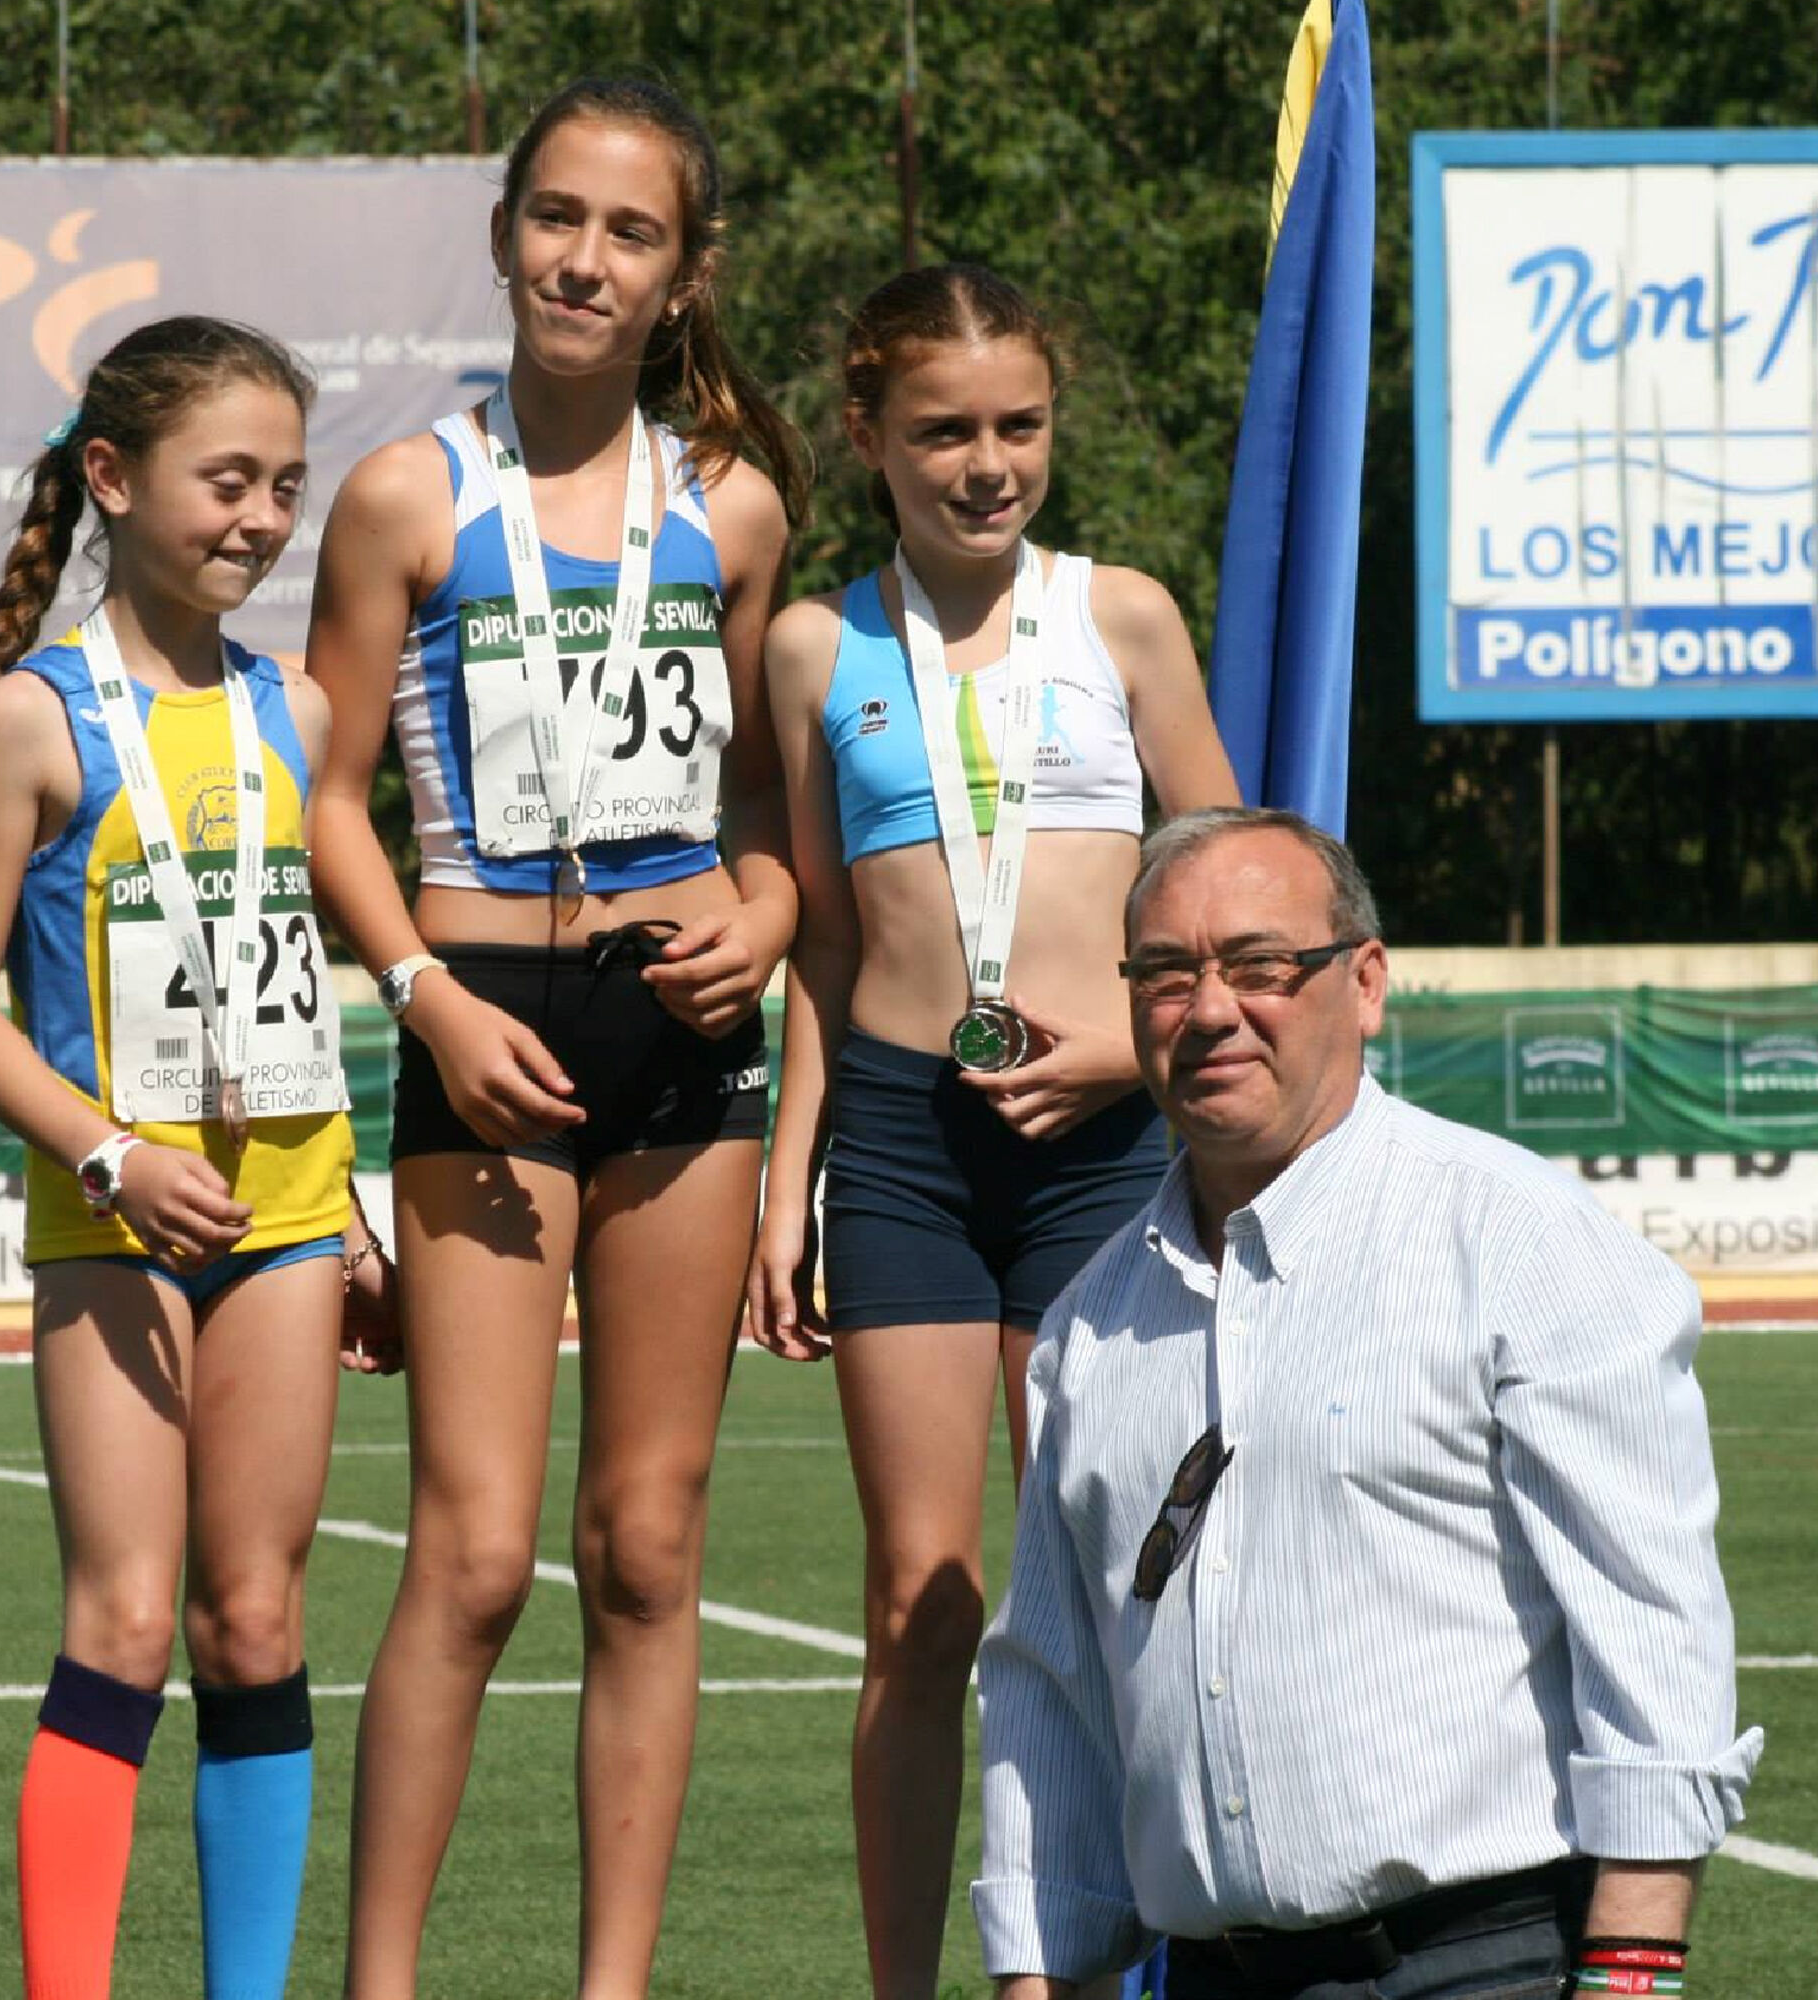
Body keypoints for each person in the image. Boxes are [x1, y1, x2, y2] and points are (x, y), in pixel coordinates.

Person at [302, 74, 805, 2000]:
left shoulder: (732, 506)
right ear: (506, 234)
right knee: (474, 1555)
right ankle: (384, 1983)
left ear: (687, 274)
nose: (585, 260)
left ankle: (615, 1986)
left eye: (631, 232)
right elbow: (330, 796)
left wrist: (766, 918)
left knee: (651, 1545)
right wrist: (421, 994)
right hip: (482, 1019)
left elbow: (760, 806)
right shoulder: (407, 496)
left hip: (686, 1026)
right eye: (557, 220)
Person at [973, 806, 1764, 2000]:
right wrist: (1035, 1974)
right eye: (1166, 974)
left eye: (1259, 965)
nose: (1209, 1009)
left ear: (1365, 981)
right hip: (1213, 1974)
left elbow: (1650, 1627)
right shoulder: (1087, 1327)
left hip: (1487, 1962)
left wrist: (1631, 1964)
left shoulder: (1513, 1239)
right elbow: (1053, 1689)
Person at [748, 263, 1239, 1999]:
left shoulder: (1124, 619)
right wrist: (790, 1182)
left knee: (1104, 1588)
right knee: (923, 1596)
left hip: (1103, 1149)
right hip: (902, 1145)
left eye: (1018, 424)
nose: (987, 463)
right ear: (867, 434)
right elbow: (819, 941)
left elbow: (1239, 897)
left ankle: (1095, 1966)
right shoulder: (814, 647)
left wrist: (1126, 1052)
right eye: (944, 429)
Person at [0, 315, 377, 2000]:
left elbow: (287, 986)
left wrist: (349, 1218)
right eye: (227, 479)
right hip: (115, 1229)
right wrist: (108, 1160)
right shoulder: (32, 720)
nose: (261, 518)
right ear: (111, 476)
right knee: (122, 1619)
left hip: (289, 1222)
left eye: (286, 487)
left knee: (258, 1621)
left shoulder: (297, 710)